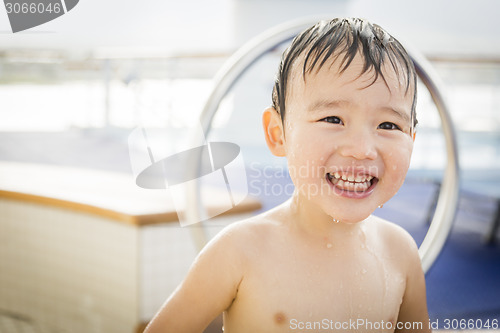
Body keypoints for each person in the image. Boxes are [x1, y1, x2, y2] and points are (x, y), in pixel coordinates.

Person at [144, 17, 430, 333]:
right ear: (278, 134)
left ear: (412, 141)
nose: (362, 149)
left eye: (389, 126)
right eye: (333, 118)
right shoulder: (239, 252)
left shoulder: (401, 253)